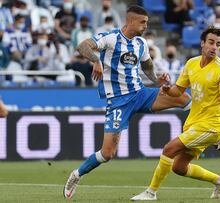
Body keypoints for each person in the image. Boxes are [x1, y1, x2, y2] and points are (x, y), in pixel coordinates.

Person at [62, 5, 192, 199]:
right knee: (107, 153)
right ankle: (77, 174)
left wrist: (157, 79)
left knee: (183, 98)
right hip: (118, 102)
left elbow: (147, 64)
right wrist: (97, 61)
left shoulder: (141, 43)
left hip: (140, 94)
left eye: (147, 22)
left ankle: (206, 133)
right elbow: (82, 46)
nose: (146, 26)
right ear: (130, 21)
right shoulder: (111, 38)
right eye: (143, 22)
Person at [131, 26, 220, 201]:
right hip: (194, 122)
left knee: (169, 149)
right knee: (179, 167)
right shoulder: (191, 64)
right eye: (211, 42)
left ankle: (151, 192)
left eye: (218, 44)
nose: (214, 47)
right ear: (202, 43)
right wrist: (165, 87)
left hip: (211, 125)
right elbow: (177, 92)